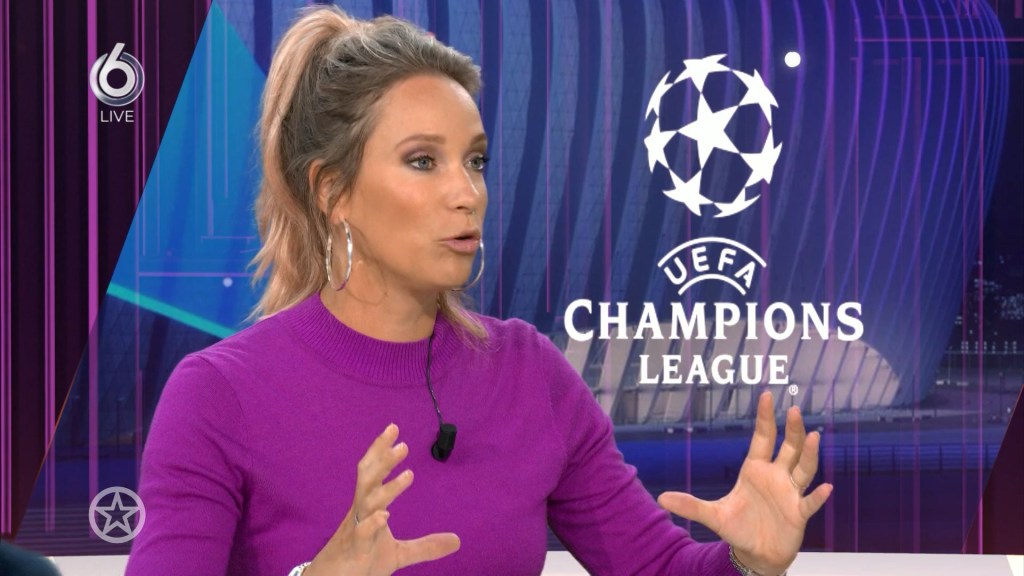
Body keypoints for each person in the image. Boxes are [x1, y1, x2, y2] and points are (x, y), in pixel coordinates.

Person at [124, 6, 832, 576]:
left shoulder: (529, 373)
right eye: (422, 161)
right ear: (332, 192)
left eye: (476, 160)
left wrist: (747, 561)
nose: (467, 193)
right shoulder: (219, 395)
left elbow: (656, 567)